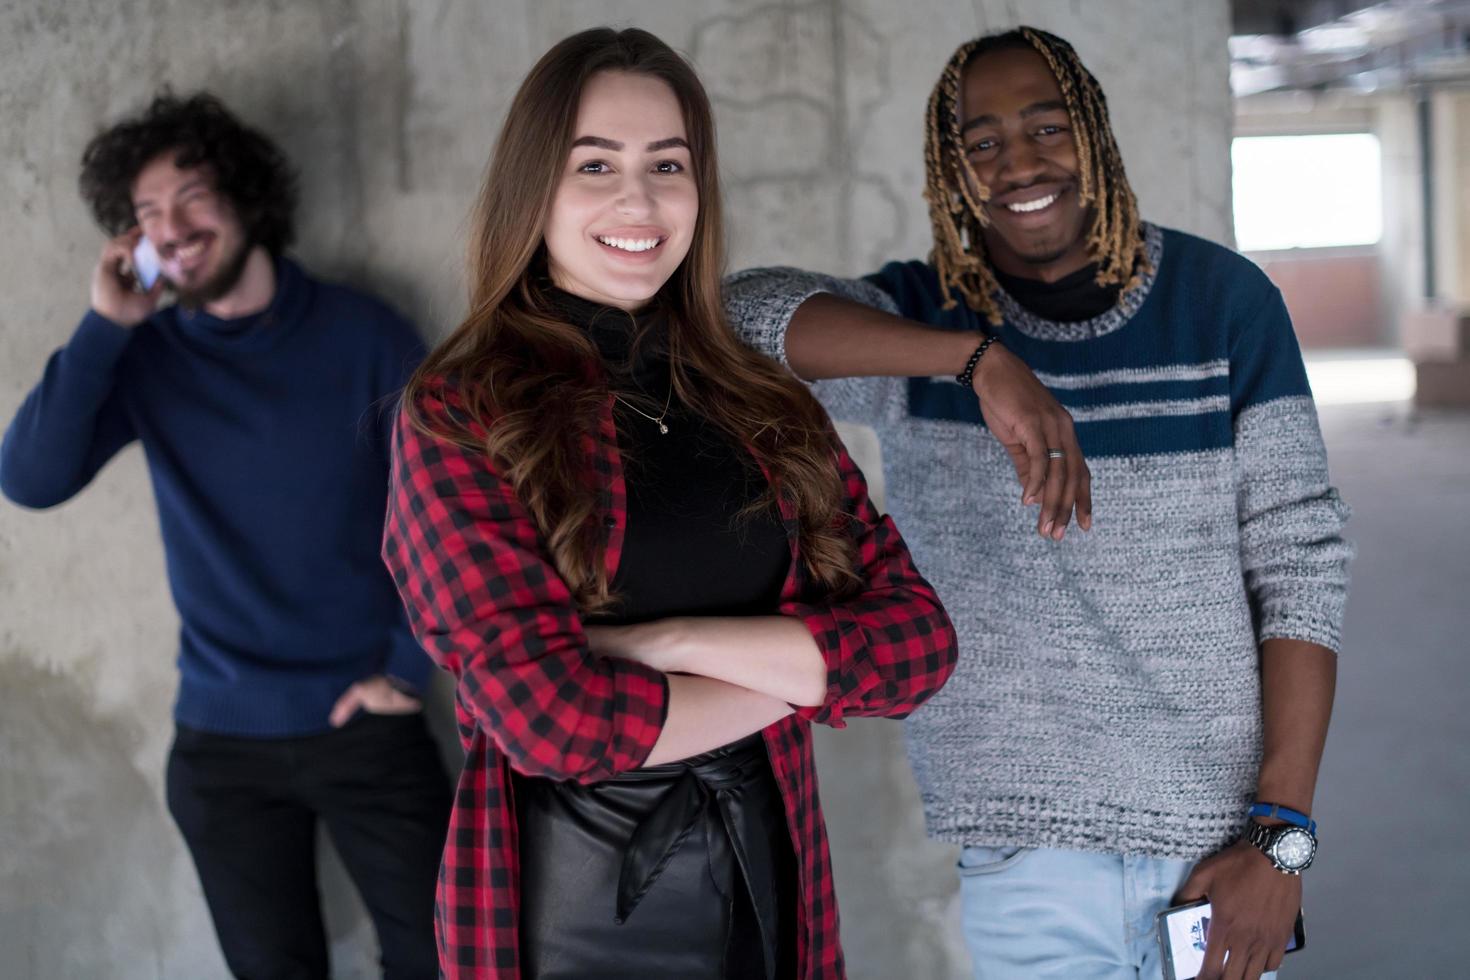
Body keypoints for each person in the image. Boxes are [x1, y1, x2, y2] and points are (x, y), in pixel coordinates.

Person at [726, 27, 1353, 980]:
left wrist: (1282, 839)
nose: (1019, 161)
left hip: (1222, 848)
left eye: (1046, 127)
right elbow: (735, 319)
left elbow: (1302, 573)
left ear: (1093, 133)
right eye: (983, 142)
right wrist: (975, 359)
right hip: (1024, 856)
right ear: (952, 171)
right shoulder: (916, 323)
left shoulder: (1225, 303)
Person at [382, 27, 970, 980]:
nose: (638, 198)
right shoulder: (460, 412)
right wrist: (805, 672)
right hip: (575, 907)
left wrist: (670, 646)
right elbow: (548, 722)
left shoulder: (760, 401)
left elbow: (919, 647)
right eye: (595, 164)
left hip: (770, 870)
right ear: (534, 187)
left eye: (668, 163)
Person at [0, 93, 451, 979]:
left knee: (448, 963)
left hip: (368, 722)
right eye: (145, 214)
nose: (169, 227)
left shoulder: (367, 334)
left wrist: (407, 666)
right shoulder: (146, 355)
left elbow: (443, 514)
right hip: (220, 746)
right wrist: (106, 326)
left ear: (246, 195)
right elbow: (29, 480)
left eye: (192, 195)